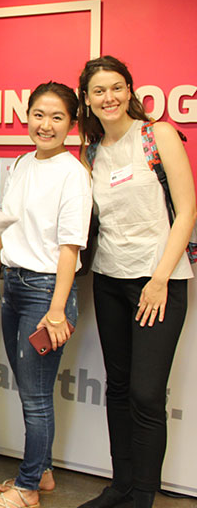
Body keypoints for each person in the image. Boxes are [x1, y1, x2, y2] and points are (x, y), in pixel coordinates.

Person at [74, 57, 196, 508]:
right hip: (109, 278)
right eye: (99, 91)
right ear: (86, 98)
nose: (109, 98)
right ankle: (120, 485)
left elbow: (187, 211)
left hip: (159, 280)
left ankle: (143, 494)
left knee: (146, 393)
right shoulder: (90, 151)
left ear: (130, 90)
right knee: (120, 388)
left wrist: (161, 278)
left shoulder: (156, 134)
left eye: (117, 87)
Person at [0, 83, 92, 508]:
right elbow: (4, 226)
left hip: (46, 294)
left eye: (57, 117)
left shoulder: (73, 174)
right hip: (14, 283)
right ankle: (40, 473)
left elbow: (70, 247)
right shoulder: (23, 163)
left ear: (71, 124)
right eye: (39, 115)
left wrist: (58, 311)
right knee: (32, 391)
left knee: (36, 397)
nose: (46, 125)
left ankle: (26, 489)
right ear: (27, 117)